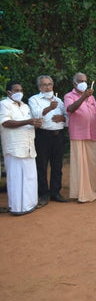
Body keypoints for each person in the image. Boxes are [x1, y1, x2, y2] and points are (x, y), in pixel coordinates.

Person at [0, 81, 42, 214]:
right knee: (16, 178)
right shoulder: (4, 104)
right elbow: (5, 123)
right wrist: (28, 122)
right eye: (16, 90)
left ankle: (30, 204)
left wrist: (34, 124)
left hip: (28, 146)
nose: (19, 92)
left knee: (30, 177)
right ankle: (17, 207)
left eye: (21, 90)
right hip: (14, 146)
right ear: (9, 92)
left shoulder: (25, 106)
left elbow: (28, 122)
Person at [28, 75, 68, 207]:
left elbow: (67, 117)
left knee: (57, 166)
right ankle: (43, 194)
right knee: (42, 166)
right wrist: (49, 108)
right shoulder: (34, 99)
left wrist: (62, 118)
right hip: (43, 136)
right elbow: (36, 115)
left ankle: (55, 192)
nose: (47, 87)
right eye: (44, 84)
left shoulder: (58, 100)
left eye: (49, 84)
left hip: (58, 135)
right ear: (39, 87)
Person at [64, 72, 96, 203]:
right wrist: (83, 97)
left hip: (92, 133)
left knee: (93, 163)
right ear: (74, 83)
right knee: (80, 165)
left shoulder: (92, 98)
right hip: (78, 134)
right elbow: (70, 109)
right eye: (80, 81)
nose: (83, 83)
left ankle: (93, 190)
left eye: (85, 80)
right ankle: (80, 193)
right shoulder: (69, 96)